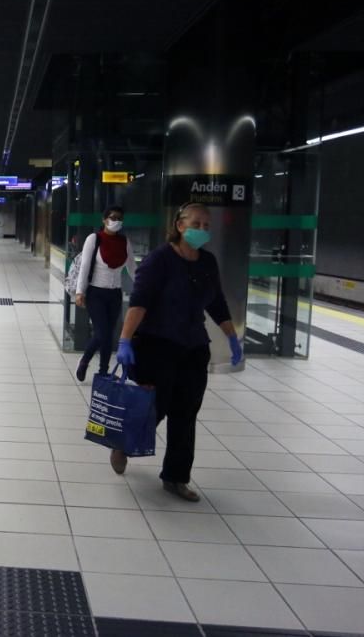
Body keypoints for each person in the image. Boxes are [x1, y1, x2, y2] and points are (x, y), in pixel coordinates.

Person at [114, 202, 242, 502]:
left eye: (206, 225)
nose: (201, 229)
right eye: (195, 223)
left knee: (186, 414)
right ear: (180, 225)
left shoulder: (207, 262)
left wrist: (232, 337)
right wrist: (124, 340)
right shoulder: (160, 260)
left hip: (193, 348)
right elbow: (139, 301)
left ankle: (175, 477)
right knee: (155, 409)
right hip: (157, 346)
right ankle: (123, 443)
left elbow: (217, 303)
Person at [74, 206, 137, 381]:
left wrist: (143, 286)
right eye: (112, 217)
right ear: (104, 220)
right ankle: (85, 361)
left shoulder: (124, 242)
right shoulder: (94, 239)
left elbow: (132, 268)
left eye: (119, 218)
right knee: (102, 333)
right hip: (96, 293)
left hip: (115, 294)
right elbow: (85, 267)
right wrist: (80, 292)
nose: (116, 221)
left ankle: (103, 372)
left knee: (108, 334)